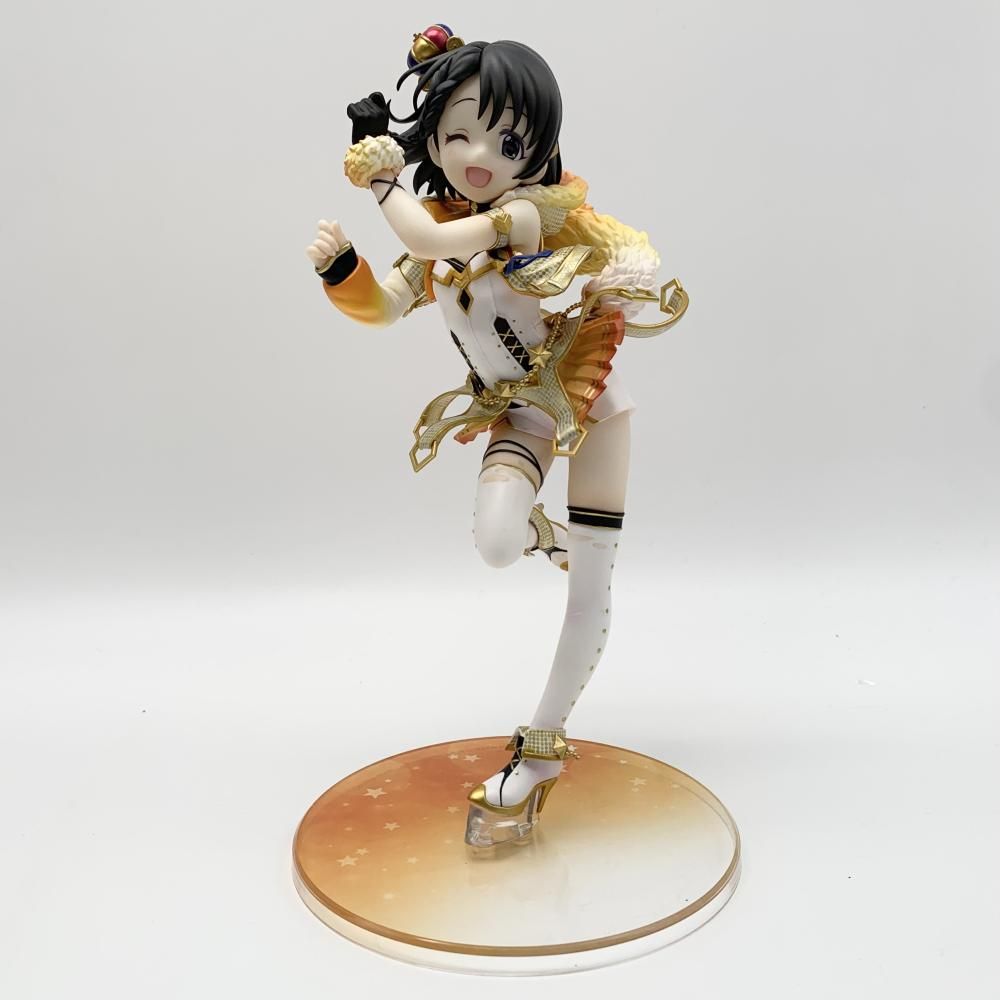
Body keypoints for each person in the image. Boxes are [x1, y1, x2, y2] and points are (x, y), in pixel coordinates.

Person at [305, 27, 686, 848]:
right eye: (461, 134)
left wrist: (382, 185)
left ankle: (539, 753)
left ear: (536, 152)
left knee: (589, 592)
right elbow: (382, 307)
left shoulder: (523, 214)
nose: (480, 157)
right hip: (518, 416)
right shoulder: (438, 232)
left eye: (508, 142)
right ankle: (547, 537)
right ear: (433, 133)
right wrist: (341, 272)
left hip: (591, 410)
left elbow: (428, 239)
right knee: (495, 544)